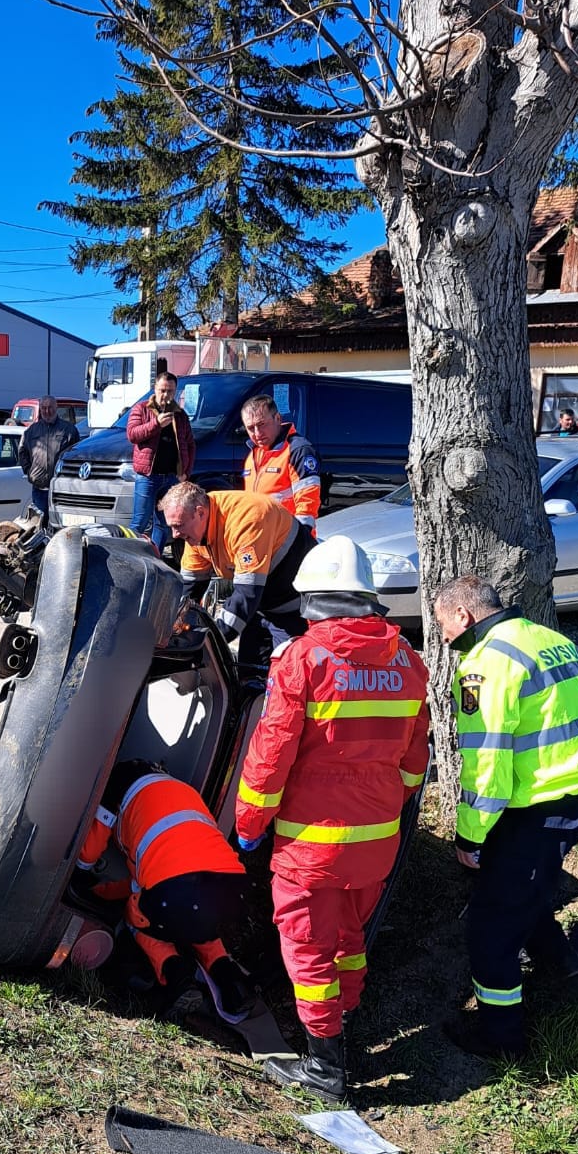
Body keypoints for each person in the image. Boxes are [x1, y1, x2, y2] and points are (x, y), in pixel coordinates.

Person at [236, 537, 430, 1103]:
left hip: (311, 847)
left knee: (308, 949)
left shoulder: (303, 659)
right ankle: (342, 1026)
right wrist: (393, 806)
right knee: (348, 941)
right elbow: (416, 760)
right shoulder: (409, 661)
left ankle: (325, 1068)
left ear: (312, 600)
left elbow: (269, 757)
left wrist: (250, 824)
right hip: (377, 842)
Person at [433, 574, 578, 1059]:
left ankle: (500, 1039)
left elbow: (487, 763)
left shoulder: (485, 665)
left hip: (546, 804)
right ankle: (563, 963)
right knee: (520, 879)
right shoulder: (552, 640)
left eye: (441, 626)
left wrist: (469, 836)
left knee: (491, 924)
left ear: (463, 615)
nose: (443, 639)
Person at [75, 760, 254, 1024]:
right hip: (230, 886)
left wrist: (83, 878)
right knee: (201, 920)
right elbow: (152, 875)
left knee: (137, 916)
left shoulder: (114, 784)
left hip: (174, 889)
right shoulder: (181, 790)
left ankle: (176, 975)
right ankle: (230, 979)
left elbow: (91, 853)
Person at [160, 481, 314, 667]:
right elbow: (188, 591)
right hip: (260, 606)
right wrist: (169, 630)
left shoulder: (246, 519)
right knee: (248, 675)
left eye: (179, 525)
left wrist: (212, 642)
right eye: (171, 527)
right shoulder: (195, 534)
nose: (175, 534)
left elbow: (246, 595)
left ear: (200, 512)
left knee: (286, 677)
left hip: (294, 609)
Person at [127, 373, 196, 549]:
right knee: (139, 523)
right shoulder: (141, 409)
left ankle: (154, 559)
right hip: (148, 477)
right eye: (162, 390)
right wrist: (156, 424)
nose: (166, 395)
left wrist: (186, 472)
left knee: (163, 524)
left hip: (172, 478)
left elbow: (190, 444)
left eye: (170, 391)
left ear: (175, 391)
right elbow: (132, 435)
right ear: (155, 389)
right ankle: (130, 559)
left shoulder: (180, 415)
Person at [240, 394, 322, 530]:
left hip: (289, 541)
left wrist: (300, 541)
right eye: (250, 428)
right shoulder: (254, 453)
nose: (257, 433)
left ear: (278, 418)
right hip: (262, 538)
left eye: (261, 424)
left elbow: (307, 505)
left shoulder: (298, 450)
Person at [17, 395, 79, 517]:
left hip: (62, 489)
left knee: (60, 523)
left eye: (50, 407)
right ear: (40, 409)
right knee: (40, 524)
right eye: (44, 408)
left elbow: (77, 455)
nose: (47, 411)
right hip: (39, 489)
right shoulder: (32, 430)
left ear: (56, 408)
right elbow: (22, 450)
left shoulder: (68, 430)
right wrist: (28, 470)